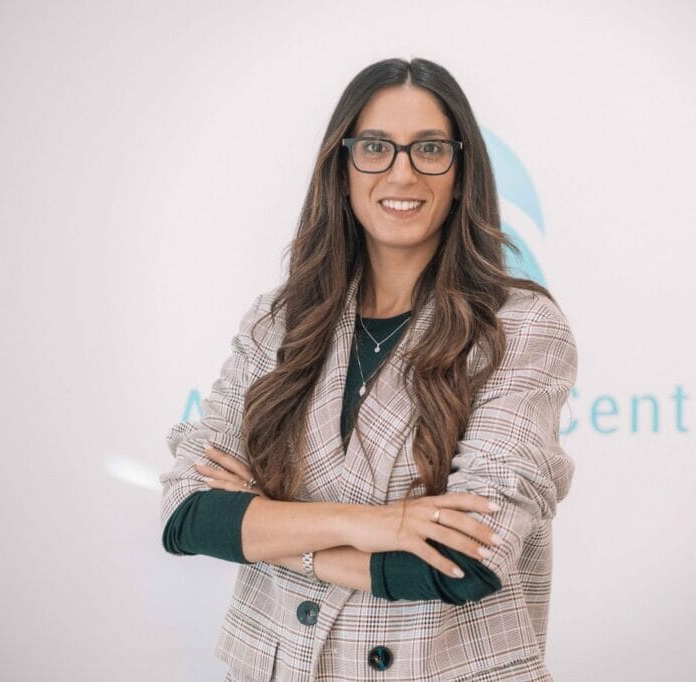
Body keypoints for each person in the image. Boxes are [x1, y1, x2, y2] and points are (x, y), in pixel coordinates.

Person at [158, 56, 578, 681]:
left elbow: (466, 562)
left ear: (461, 173)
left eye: (429, 149)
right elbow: (187, 514)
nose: (402, 172)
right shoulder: (279, 321)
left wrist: (274, 532)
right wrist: (380, 525)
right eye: (376, 147)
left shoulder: (518, 326)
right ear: (343, 168)